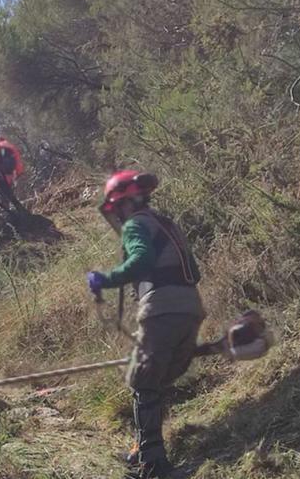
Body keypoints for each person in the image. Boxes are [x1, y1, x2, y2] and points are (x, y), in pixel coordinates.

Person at [87, 170, 204, 479]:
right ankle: (143, 447)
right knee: (156, 380)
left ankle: (152, 466)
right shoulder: (166, 224)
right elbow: (195, 271)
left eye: (117, 209)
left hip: (161, 311)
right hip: (191, 310)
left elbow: (141, 260)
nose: (118, 216)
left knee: (143, 382)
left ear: (125, 203)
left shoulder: (137, 224)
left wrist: (105, 279)